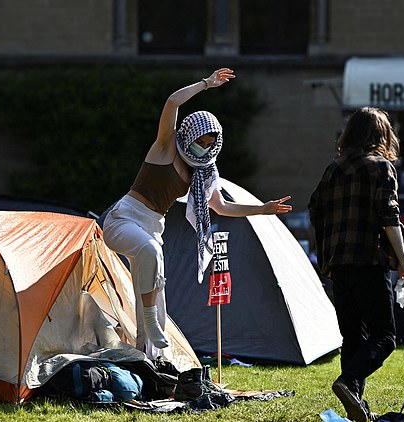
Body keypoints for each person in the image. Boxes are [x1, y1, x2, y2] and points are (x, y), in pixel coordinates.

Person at [103, 68, 292, 354]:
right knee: (151, 253)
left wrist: (262, 209)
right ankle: (151, 320)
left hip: (154, 227)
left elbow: (221, 206)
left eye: (208, 144)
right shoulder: (165, 147)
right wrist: (206, 84)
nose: (202, 148)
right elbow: (172, 103)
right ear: (188, 134)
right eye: (199, 141)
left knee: (157, 286)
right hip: (124, 218)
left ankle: (147, 360)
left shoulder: (202, 172)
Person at [308, 107, 404, 422]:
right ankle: (349, 383)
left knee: (352, 337)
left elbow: (316, 212)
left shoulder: (333, 169)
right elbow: (389, 215)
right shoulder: (381, 167)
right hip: (369, 260)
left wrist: (326, 260)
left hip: (338, 264)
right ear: (382, 136)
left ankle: (357, 406)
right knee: (385, 335)